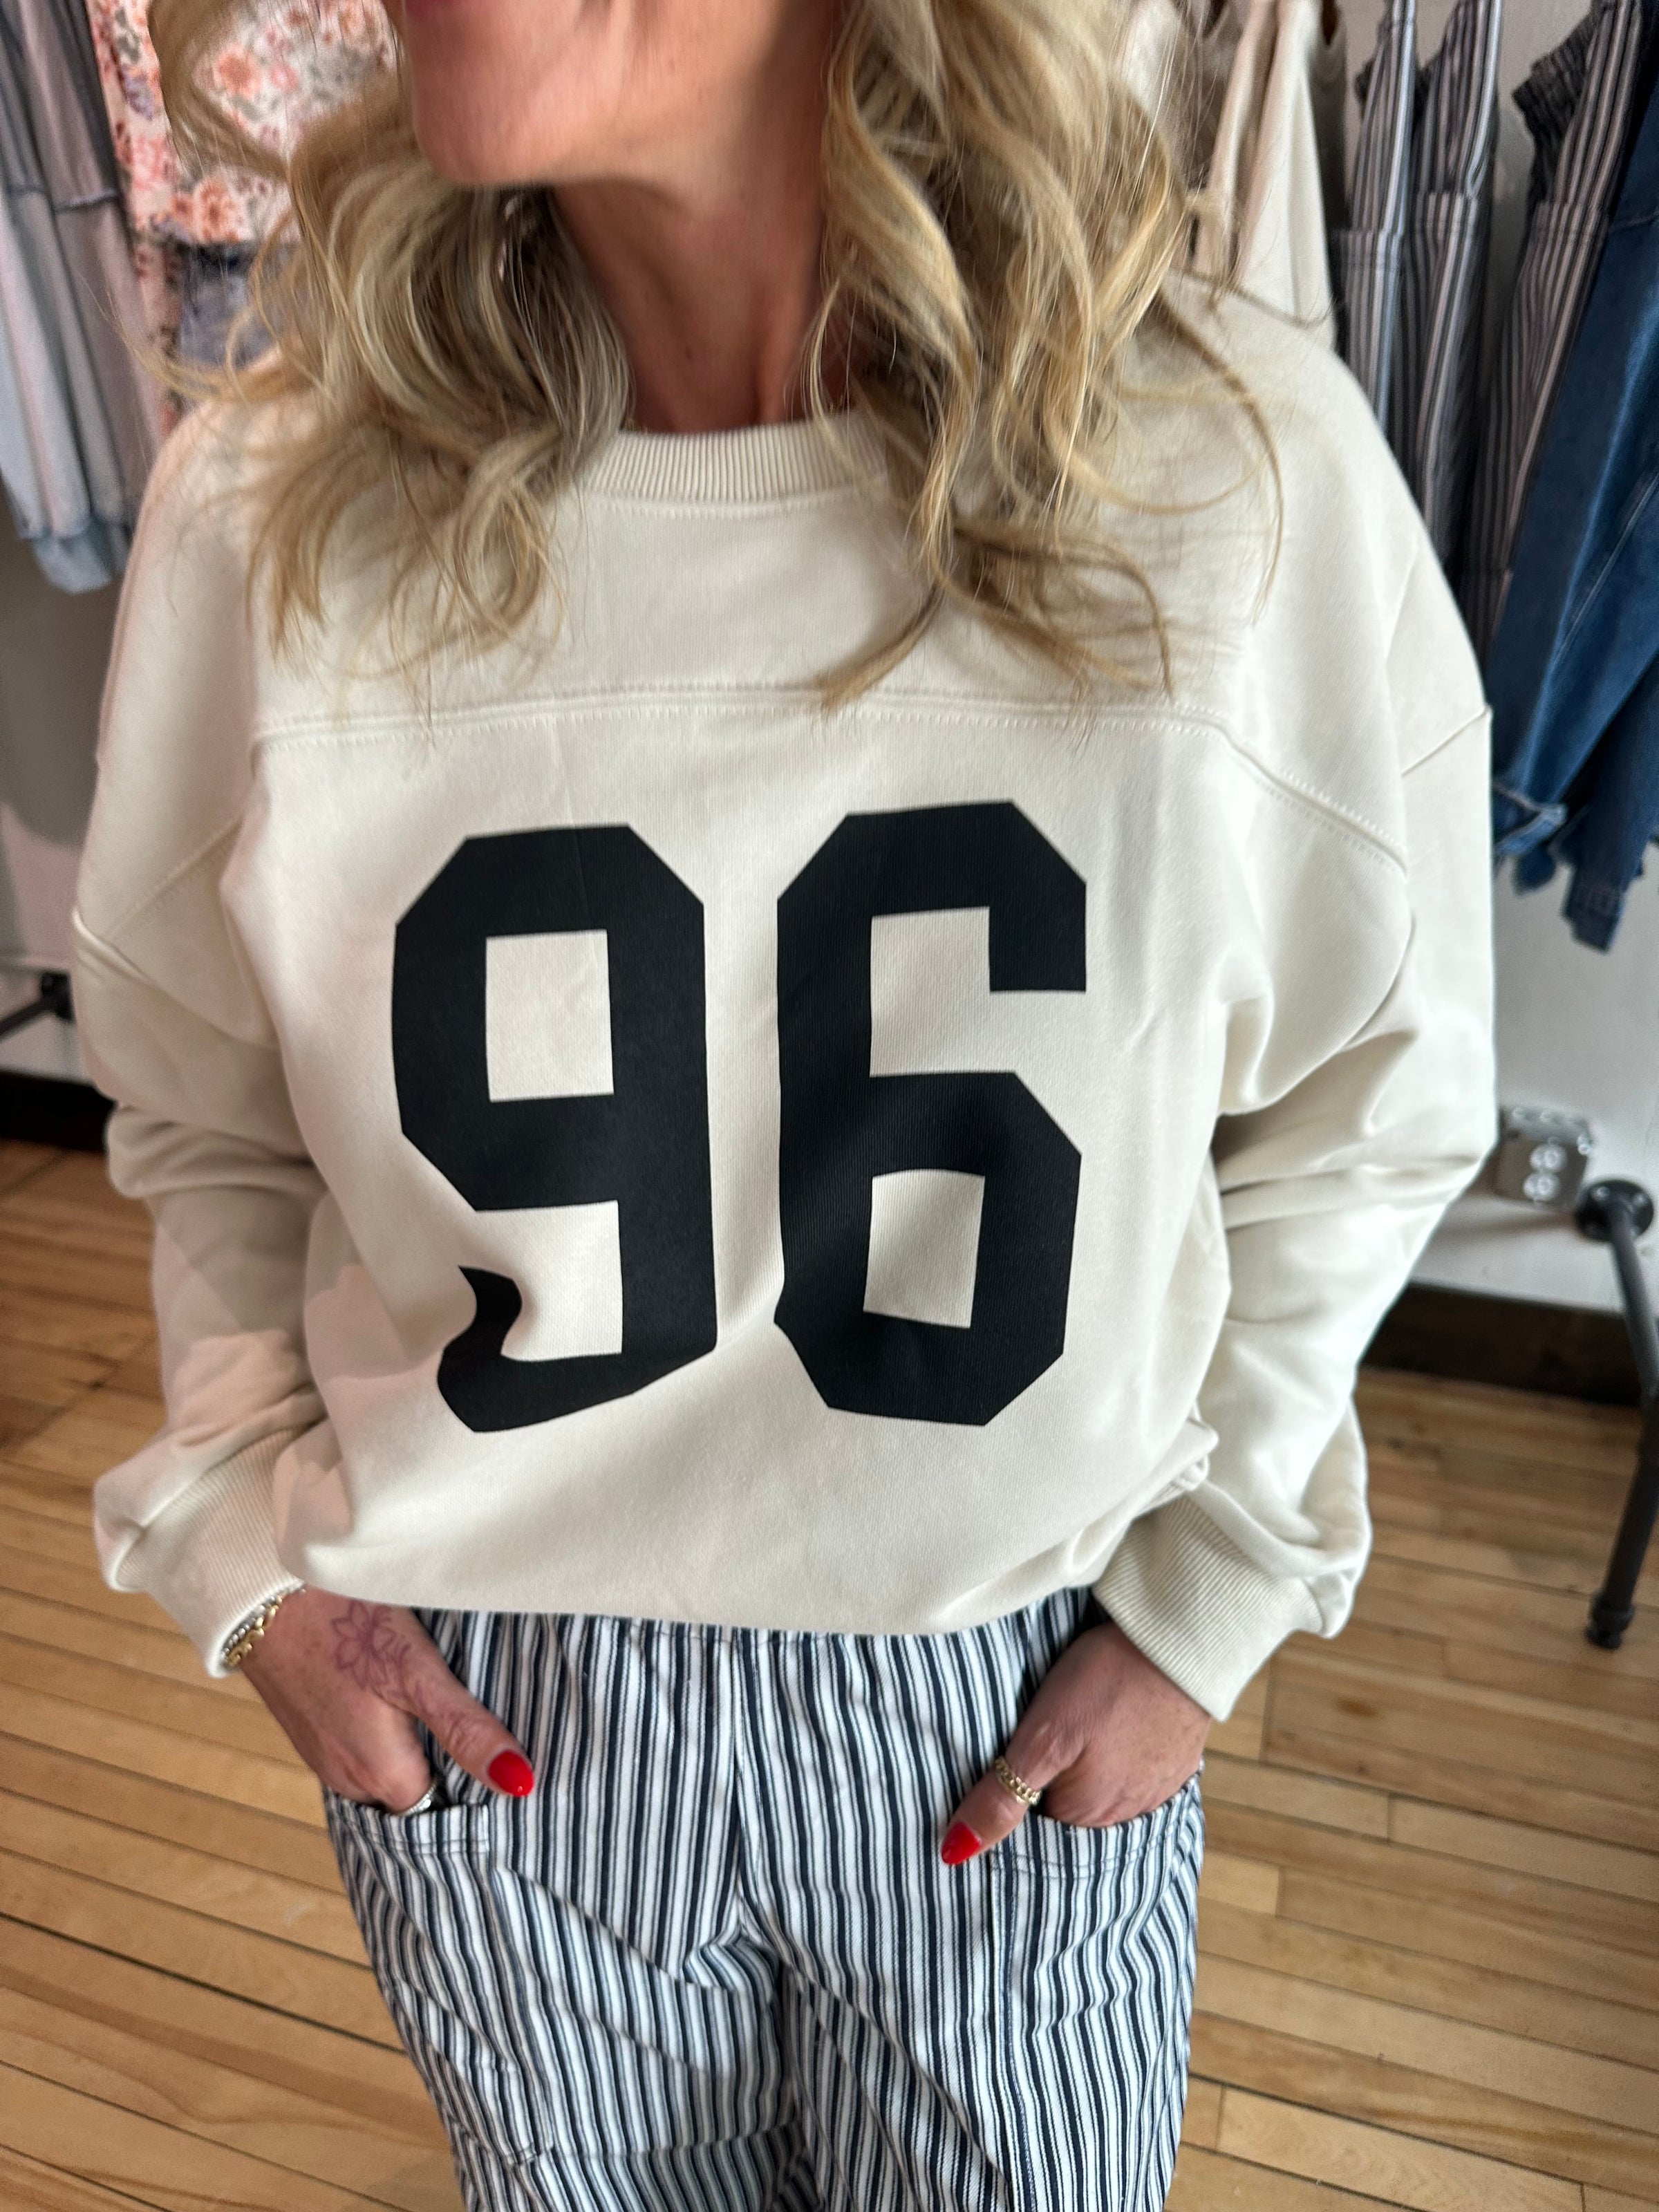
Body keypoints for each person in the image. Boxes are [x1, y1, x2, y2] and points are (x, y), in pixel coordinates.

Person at [70, 1, 1496, 2206]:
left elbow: (1374, 1102)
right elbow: (200, 1106)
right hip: (501, 1709)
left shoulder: (1229, 477)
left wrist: (1204, 1608)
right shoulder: (270, 509)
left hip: (1005, 1695)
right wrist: (248, 1552)